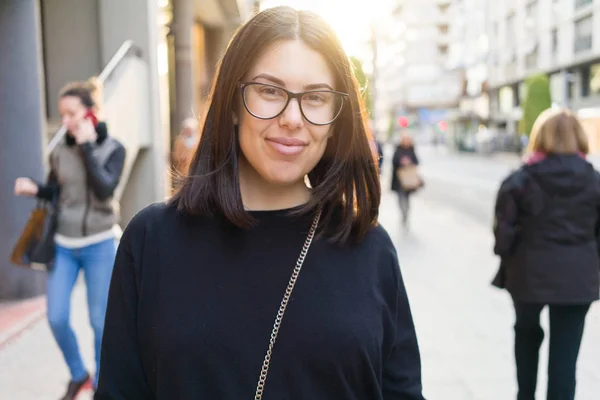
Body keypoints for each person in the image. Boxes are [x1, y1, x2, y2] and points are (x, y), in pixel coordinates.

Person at [96, 6, 425, 400]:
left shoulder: (368, 246)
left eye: (316, 97)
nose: (292, 118)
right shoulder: (152, 240)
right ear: (233, 103)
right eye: (270, 91)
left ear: (337, 118)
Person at [14, 79, 126, 399]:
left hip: (100, 243)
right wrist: (35, 189)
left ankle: (102, 383)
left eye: (71, 113)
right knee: (57, 316)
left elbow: (106, 190)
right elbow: (58, 192)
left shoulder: (113, 147)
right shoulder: (60, 150)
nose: (65, 121)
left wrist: (88, 146)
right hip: (64, 245)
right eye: (62, 115)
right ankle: (79, 373)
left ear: (90, 113)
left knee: (101, 323)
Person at [492, 108, 600, 400]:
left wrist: (510, 254)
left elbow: (503, 235)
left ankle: (524, 395)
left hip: (528, 276)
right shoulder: (595, 181)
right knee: (565, 354)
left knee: (526, 333)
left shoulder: (520, 180)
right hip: (578, 279)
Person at [391, 133, 420, 226]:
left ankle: (406, 213)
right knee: (400, 198)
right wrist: (401, 162)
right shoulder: (398, 150)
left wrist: (409, 162)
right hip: (399, 179)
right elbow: (394, 161)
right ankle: (403, 212)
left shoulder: (412, 150)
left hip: (408, 180)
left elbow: (417, 161)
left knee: (407, 198)